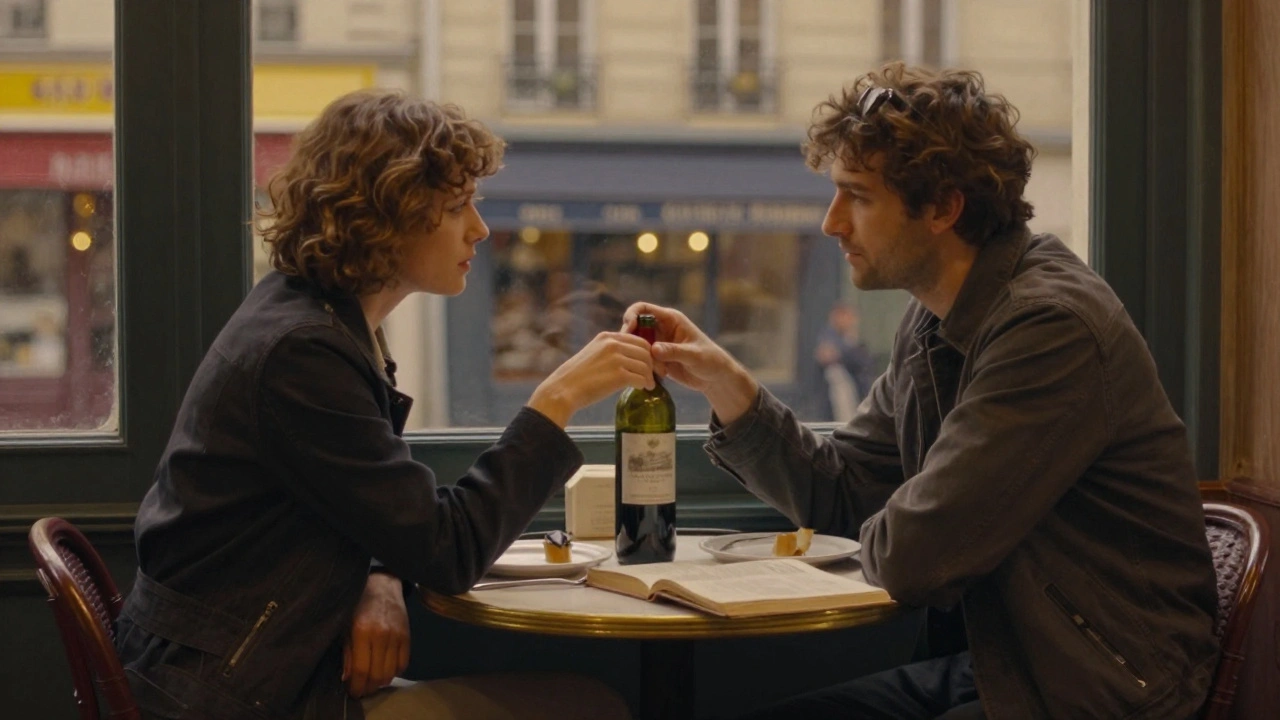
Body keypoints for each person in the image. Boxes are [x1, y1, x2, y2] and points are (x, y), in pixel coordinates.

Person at [622, 62, 1219, 720]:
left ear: (942, 207)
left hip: (1099, 687)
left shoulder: (1051, 326)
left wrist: (890, 524)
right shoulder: (935, 313)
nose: (831, 223)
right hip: (1006, 665)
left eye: (858, 196)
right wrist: (726, 384)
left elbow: (913, 559)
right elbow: (843, 490)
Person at [114, 90, 644, 720]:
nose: (479, 227)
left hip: (225, 670)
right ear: (388, 216)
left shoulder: (313, 317)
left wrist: (379, 575)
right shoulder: (303, 352)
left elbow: (361, 500)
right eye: (455, 206)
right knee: (591, 707)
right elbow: (446, 550)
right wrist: (557, 400)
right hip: (233, 692)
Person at [815, 303, 877, 421]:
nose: (850, 321)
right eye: (845, 316)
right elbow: (826, 355)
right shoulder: (828, 336)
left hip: (859, 393)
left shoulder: (853, 338)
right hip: (836, 399)